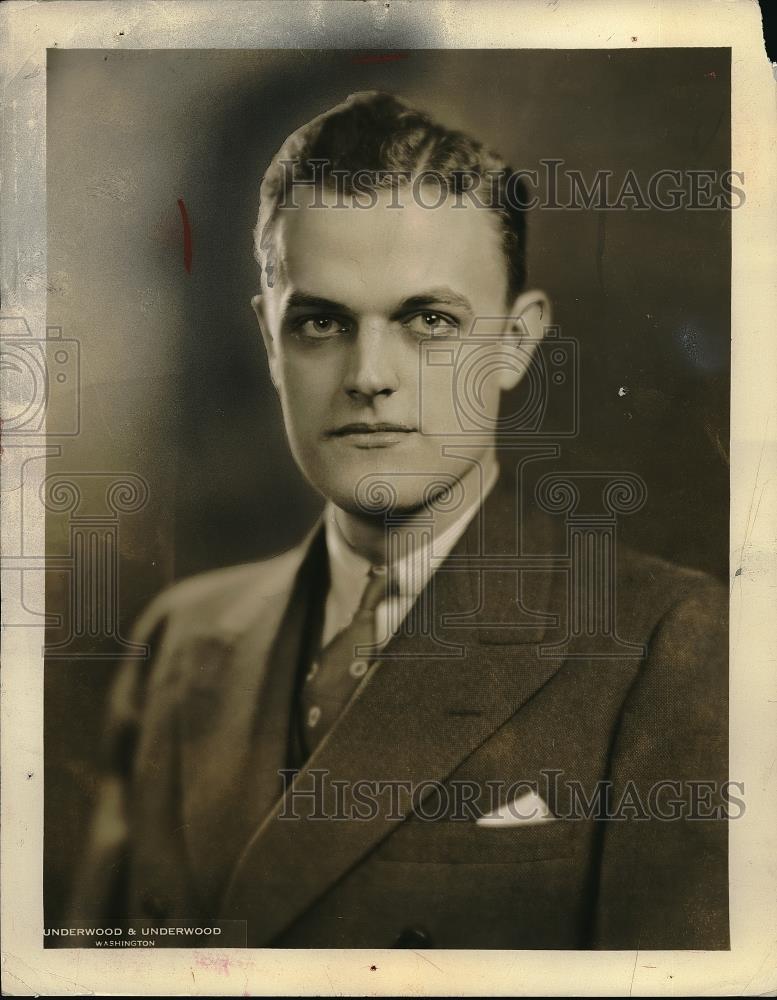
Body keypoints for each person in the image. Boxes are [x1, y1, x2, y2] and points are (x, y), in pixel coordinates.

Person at [71, 91, 728, 949]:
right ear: (269, 341)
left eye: (428, 321)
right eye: (319, 323)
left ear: (516, 342)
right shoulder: (180, 639)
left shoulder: (670, 644)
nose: (368, 375)